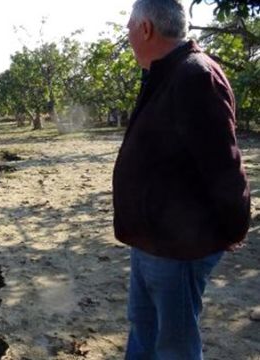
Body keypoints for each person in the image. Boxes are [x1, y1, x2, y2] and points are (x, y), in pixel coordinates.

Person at [113, 0, 251, 359]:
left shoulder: (195, 76)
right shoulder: (165, 74)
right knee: (143, 332)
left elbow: (224, 166)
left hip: (179, 246)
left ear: (146, 29)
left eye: (129, 26)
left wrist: (229, 231)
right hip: (150, 241)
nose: (126, 34)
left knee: (174, 346)